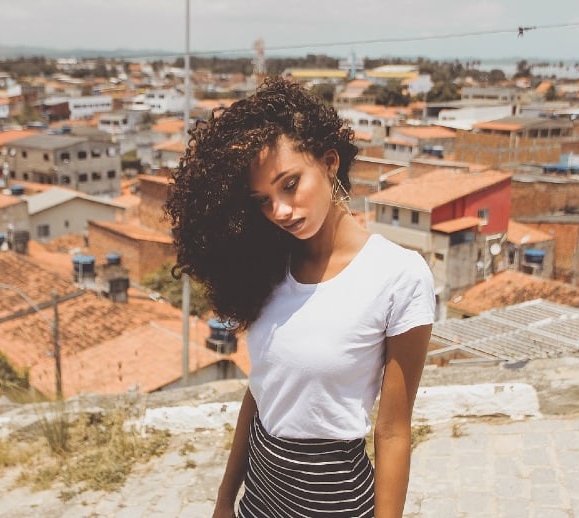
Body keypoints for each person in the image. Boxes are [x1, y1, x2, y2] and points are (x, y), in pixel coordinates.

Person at [165, 77, 435, 518]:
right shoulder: (269, 267)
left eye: (289, 184)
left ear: (329, 162)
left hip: (336, 504)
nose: (280, 211)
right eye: (263, 200)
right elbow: (262, 393)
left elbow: (392, 431)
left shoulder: (398, 276)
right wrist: (223, 499)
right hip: (260, 499)